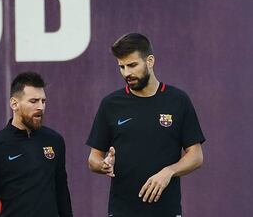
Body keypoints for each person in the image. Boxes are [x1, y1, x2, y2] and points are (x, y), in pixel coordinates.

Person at [86, 33, 205, 217]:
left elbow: (196, 156)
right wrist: (103, 165)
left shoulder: (178, 100)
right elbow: (93, 158)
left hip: (167, 210)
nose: (126, 73)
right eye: (121, 67)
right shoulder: (110, 104)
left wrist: (169, 171)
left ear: (150, 61)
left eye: (132, 65)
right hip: (122, 211)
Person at [0, 71, 73, 217]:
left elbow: (62, 191)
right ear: (14, 104)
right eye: (33, 101)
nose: (40, 107)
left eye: (43, 101)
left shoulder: (55, 140)